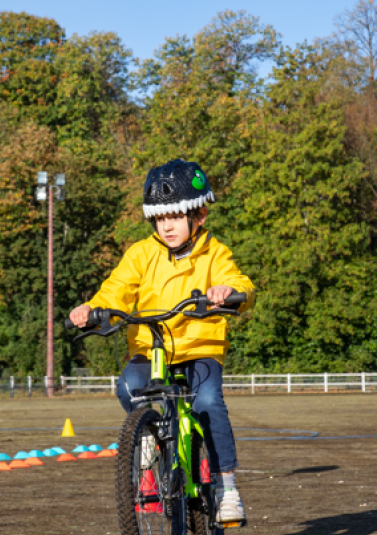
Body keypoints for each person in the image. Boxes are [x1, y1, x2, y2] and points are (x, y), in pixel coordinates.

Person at [68, 159, 255, 522]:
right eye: (159, 218)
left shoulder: (214, 252)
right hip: (152, 349)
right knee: (129, 386)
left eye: (174, 216)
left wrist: (228, 292)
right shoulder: (140, 254)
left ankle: (226, 487)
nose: (166, 226)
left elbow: (240, 283)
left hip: (199, 348)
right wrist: (93, 309)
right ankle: (150, 440)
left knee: (208, 400)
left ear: (198, 215)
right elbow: (117, 290)